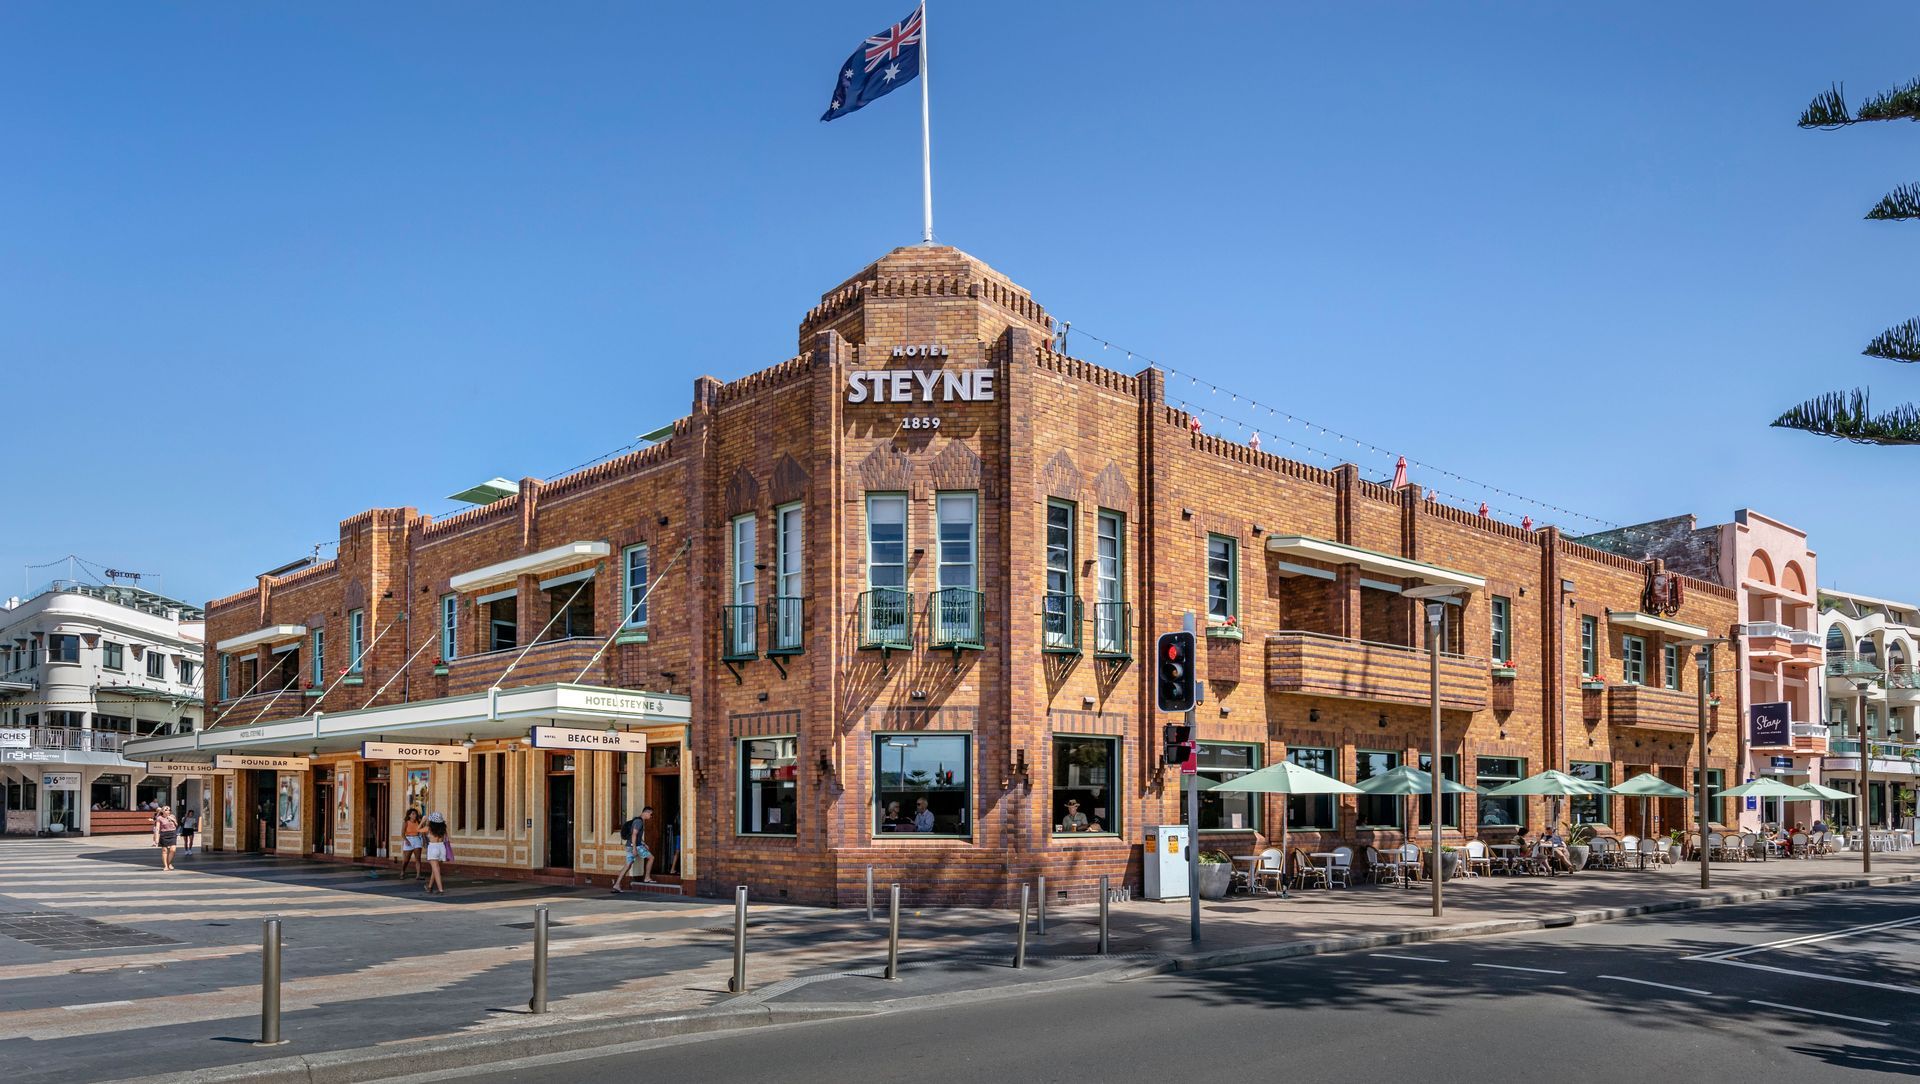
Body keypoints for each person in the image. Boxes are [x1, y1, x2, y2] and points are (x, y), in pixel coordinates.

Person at [611, 806, 655, 891]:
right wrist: (635, 848)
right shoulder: (639, 822)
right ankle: (647, 877)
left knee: (628, 865)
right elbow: (634, 834)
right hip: (635, 846)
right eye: (651, 814)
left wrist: (644, 843)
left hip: (629, 845)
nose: (651, 816)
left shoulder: (637, 820)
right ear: (647, 812)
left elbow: (637, 835)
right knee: (651, 858)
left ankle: (617, 884)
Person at [423, 816, 448, 895]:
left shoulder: (430, 829)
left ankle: (440, 890)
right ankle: (429, 887)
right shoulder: (443, 829)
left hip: (433, 848)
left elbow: (418, 830)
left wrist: (423, 821)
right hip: (442, 848)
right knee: (435, 868)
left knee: (436, 870)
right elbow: (446, 838)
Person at [399, 809, 425, 880]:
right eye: (413, 814)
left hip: (417, 839)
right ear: (409, 815)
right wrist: (406, 840)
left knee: (418, 859)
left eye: (415, 814)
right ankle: (402, 872)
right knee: (406, 859)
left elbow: (422, 831)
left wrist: (424, 839)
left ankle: (418, 875)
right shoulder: (406, 822)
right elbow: (402, 834)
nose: (414, 815)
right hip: (408, 839)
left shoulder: (418, 822)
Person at [153, 804, 179, 872]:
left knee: (173, 850)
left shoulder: (172, 816)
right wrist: (156, 838)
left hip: (172, 833)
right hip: (164, 834)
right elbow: (157, 828)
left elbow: (176, 824)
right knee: (164, 851)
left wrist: (172, 819)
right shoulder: (159, 818)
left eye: (169, 810)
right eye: (166, 810)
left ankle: (169, 863)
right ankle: (166, 866)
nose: (168, 811)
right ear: (162, 811)